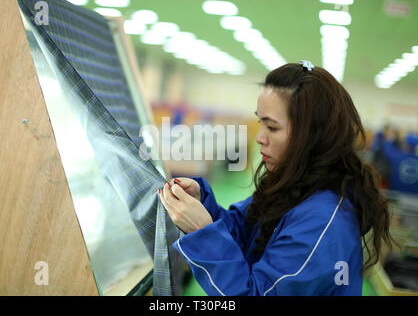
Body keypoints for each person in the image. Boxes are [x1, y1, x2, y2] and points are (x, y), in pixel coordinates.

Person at [157, 62, 394, 296]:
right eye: (260, 122)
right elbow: (242, 231)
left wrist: (204, 232)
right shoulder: (293, 186)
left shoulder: (323, 222)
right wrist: (202, 206)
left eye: (272, 127)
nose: (260, 137)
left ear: (310, 135)